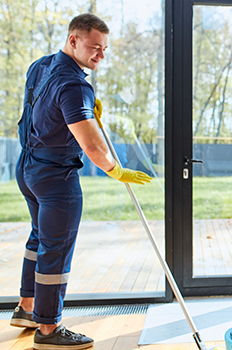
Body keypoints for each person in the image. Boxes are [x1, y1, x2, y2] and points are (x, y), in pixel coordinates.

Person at [11, 13, 152, 349]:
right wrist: (116, 170)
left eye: (104, 49)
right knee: (55, 251)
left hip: (28, 168)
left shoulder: (41, 65)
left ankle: (27, 308)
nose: (100, 55)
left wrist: (85, 108)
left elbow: (44, 111)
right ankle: (49, 329)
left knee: (39, 239)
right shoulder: (75, 86)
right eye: (94, 47)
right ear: (73, 40)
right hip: (57, 178)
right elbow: (91, 146)